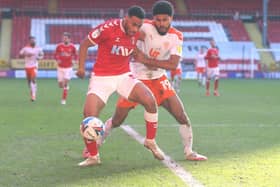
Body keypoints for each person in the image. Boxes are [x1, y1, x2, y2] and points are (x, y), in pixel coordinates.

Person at [100, 0, 207, 161]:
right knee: (117, 120)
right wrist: (134, 50)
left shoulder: (176, 36)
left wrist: (145, 60)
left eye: (165, 19)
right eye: (158, 19)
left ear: (171, 18)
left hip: (159, 80)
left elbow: (173, 64)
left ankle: (189, 151)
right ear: (153, 18)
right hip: (136, 80)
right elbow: (126, 36)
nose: (161, 23)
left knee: (182, 116)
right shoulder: (144, 27)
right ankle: (96, 142)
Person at [76, 5, 161, 167]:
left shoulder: (138, 32)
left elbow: (145, 42)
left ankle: (150, 141)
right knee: (89, 116)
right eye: (133, 24)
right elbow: (84, 44)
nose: (135, 29)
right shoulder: (107, 29)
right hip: (102, 78)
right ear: (125, 18)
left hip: (123, 76)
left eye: (138, 25)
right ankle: (93, 156)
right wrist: (80, 68)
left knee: (150, 100)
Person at [54, 32, 77, 105]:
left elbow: (76, 55)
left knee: (65, 83)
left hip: (68, 68)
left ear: (69, 39)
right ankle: (65, 87)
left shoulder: (72, 47)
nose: (64, 39)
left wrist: (74, 60)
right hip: (60, 67)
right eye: (63, 38)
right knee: (60, 84)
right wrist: (57, 59)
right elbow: (55, 54)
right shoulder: (59, 46)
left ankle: (63, 100)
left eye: (66, 38)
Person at [19, 36, 44, 101]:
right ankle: (33, 90)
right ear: (29, 41)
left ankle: (33, 96)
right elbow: (20, 55)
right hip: (27, 66)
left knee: (33, 79)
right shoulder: (25, 48)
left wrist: (39, 58)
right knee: (29, 82)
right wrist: (26, 54)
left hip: (34, 66)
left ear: (35, 41)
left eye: (34, 40)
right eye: (32, 40)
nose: (33, 41)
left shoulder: (38, 48)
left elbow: (42, 55)